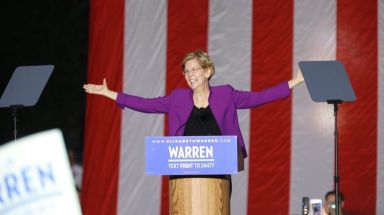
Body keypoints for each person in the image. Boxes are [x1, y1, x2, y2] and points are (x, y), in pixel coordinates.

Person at [83, 50, 304, 213]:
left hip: (218, 172)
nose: (189, 75)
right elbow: (146, 104)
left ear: (208, 71)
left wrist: (294, 81)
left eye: (194, 70)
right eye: (186, 71)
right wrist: (110, 93)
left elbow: (259, 97)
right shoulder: (178, 98)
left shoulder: (226, 94)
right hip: (183, 174)